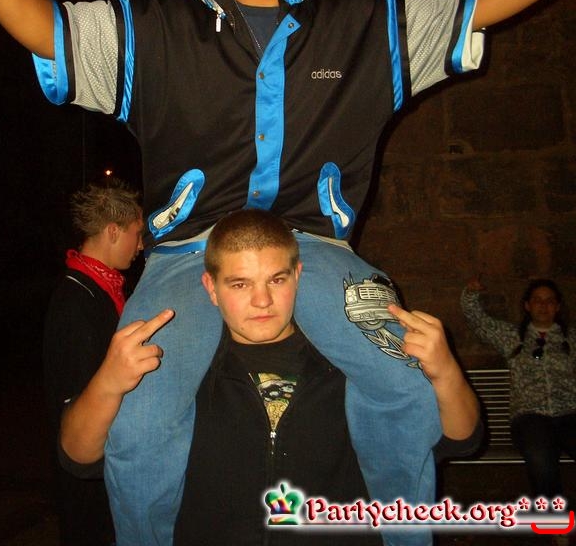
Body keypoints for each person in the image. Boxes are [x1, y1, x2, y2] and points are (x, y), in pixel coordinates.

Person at [0, 0, 575, 546]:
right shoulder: (157, 25)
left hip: (313, 251)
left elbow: (469, 7)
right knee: (139, 423)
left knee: (404, 385)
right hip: (188, 256)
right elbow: (51, 30)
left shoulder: (359, 22)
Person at [59, 209, 482, 545]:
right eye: (240, 284)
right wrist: (108, 383)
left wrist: (445, 371)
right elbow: (79, 458)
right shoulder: (183, 367)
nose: (262, 300)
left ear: (298, 276)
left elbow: (459, 440)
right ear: (210, 288)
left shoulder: (347, 361)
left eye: (276, 280)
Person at [42, 178, 147, 546]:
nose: (141, 245)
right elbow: (76, 399)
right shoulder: (77, 299)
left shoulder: (104, 287)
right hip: (87, 479)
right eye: (137, 233)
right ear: (113, 231)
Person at [461, 277, 576, 507]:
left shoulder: (571, 338)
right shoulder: (512, 336)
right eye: (537, 300)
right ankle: (552, 517)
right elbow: (479, 322)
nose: (543, 305)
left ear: (557, 306)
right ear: (527, 306)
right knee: (540, 458)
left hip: (570, 413)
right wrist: (470, 294)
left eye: (549, 301)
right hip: (530, 416)